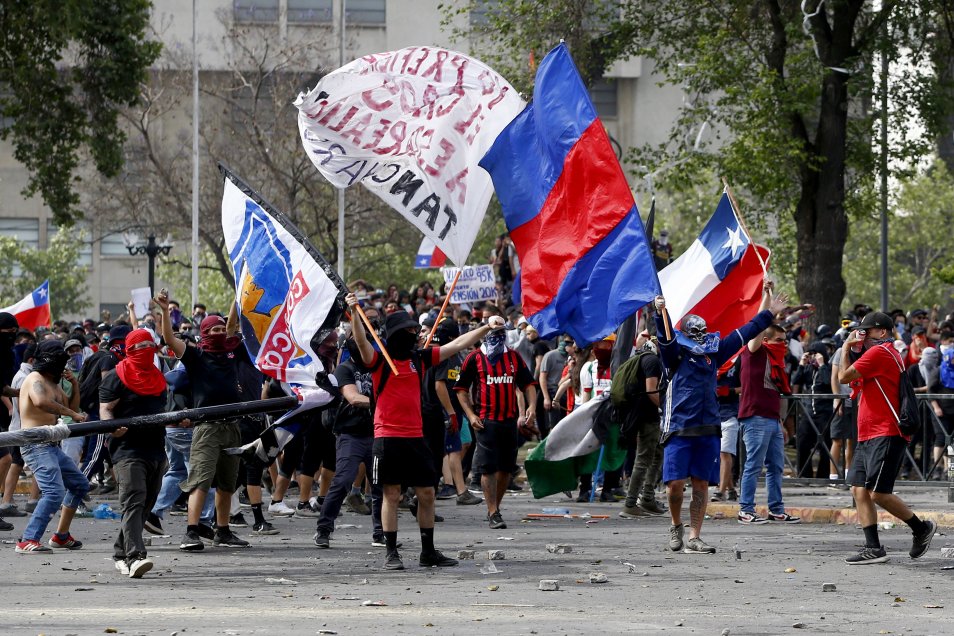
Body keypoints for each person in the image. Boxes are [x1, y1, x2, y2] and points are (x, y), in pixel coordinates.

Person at [347, 291, 490, 570]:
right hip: (387, 439)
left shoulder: (420, 358)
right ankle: (391, 552)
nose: (414, 334)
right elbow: (362, 341)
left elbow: (458, 343)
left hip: (417, 438)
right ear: (396, 333)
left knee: (427, 494)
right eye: (409, 330)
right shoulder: (379, 361)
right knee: (391, 495)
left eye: (416, 330)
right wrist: (354, 312)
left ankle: (428, 552)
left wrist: (486, 327)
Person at [654, 280, 786, 554]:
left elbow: (746, 332)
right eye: (696, 331)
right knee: (674, 487)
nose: (701, 335)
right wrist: (660, 313)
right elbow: (665, 339)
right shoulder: (674, 354)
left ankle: (694, 535)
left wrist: (769, 312)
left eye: (703, 331)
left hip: (709, 426)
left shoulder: (713, 353)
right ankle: (675, 525)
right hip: (678, 426)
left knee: (702, 484)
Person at [837, 311, 937, 564]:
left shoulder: (881, 352)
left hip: (886, 431)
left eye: (866, 331)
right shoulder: (879, 353)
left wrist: (847, 346)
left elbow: (843, 377)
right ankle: (874, 548)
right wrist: (855, 347)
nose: (862, 335)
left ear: (882, 332)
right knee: (859, 489)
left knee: (878, 493)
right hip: (868, 432)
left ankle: (921, 528)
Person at [155, 290, 250, 551]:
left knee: (227, 484)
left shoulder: (232, 351)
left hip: (232, 426)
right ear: (204, 333)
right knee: (200, 479)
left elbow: (232, 325)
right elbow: (169, 339)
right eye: (214, 329)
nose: (220, 332)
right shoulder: (196, 356)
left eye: (222, 328)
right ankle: (191, 531)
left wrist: (238, 295)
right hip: (207, 428)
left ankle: (223, 530)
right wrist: (164, 311)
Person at [99, 329, 170, 578]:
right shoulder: (115, 377)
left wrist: (179, 420)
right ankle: (135, 557)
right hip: (127, 450)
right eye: (140, 346)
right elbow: (105, 410)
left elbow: (164, 409)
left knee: (143, 506)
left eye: (150, 345)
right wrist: (112, 427)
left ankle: (120, 552)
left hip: (157, 449)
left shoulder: (157, 376)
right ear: (129, 350)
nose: (146, 350)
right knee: (133, 500)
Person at [455, 315, 537, 530]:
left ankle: (495, 508)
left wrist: (531, 407)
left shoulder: (513, 357)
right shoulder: (474, 358)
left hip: (509, 421)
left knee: (506, 470)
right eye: (494, 332)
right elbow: (461, 390)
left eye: (502, 331)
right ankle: (493, 511)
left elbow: (528, 384)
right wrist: (471, 415)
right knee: (488, 469)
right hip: (485, 421)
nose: (498, 336)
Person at [16, 340, 89, 553]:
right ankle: (27, 539)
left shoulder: (54, 384)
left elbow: (71, 408)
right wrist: (73, 414)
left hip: (52, 445)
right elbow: (41, 402)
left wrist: (75, 385)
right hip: (34, 445)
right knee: (54, 491)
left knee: (79, 485)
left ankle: (61, 536)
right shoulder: (34, 379)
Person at [313, 333, 386, 548]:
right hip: (351, 435)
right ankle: (323, 529)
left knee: (380, 485)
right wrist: (384, 403)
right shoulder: (345, 369)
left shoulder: (378, 367)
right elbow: (353, 397)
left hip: (376, 433)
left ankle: (381, 533)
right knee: (343, 480)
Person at [736, 323, 801, 525]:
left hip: (772, 419)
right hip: (755, 418)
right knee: (754, 466)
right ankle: (745, 510)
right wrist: (768, 305)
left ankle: (776, 510)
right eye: (778, 340)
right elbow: (757, 326)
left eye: (785, 341)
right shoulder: (753, 352)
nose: (783, 345)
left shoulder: (776, 361)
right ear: (765, 339)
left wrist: (779, 421)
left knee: (776, 467)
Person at [617, 339, 665, 518]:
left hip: (636, 414)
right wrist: (666, 409)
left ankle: (647, 498)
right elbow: (651, 390)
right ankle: (631, 503)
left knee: (657, 453)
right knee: (644, 458)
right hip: (647, 415)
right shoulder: (652, 361)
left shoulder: (636, 359)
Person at [711, 357, 741, 502]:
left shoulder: (738, 360)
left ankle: (720, 491)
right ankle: (730, 488)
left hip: (730, 413)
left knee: (725, 452)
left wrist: (729, 391)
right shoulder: (709, 360)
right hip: (712, 413)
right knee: (718, 453)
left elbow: (746, 385)